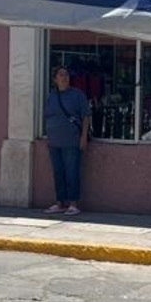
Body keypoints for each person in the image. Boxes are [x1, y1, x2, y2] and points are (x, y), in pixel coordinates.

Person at [43, 65, 90, 216]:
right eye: (61, 75)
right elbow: (48, 116)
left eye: (66, 75)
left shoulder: (77, 95)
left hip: (72, 141)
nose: (65, 77)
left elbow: (86, 116)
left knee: (72, 172)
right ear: (55, 79)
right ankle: (60, 202)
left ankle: (73, 203)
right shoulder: (51, 96)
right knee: (58, 172)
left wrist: (83, 137)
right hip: (54, 142)